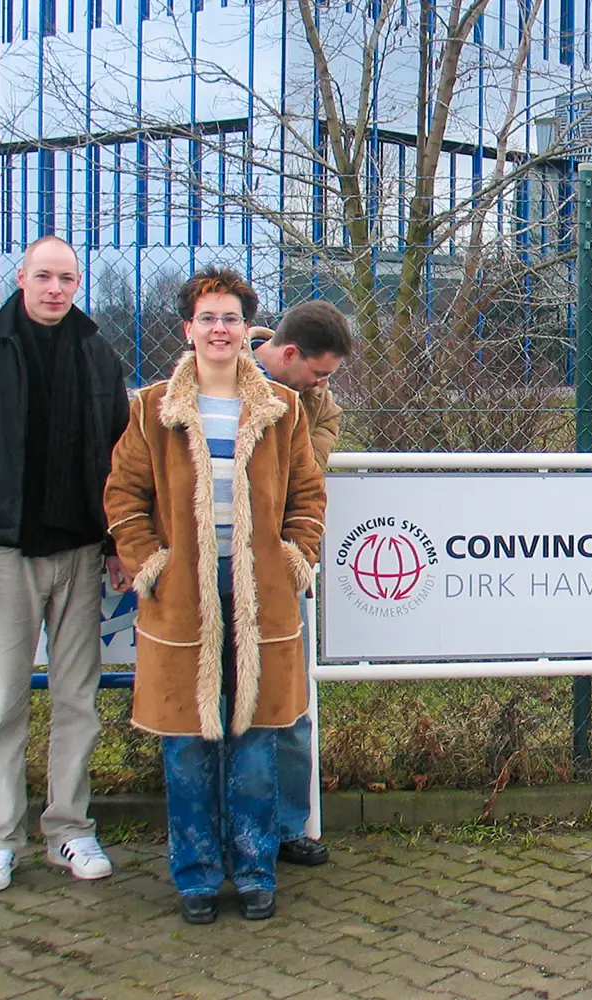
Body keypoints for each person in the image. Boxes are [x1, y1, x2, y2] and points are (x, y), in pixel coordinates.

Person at [105, 267, 326, 923]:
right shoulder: (151, 409)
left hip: (262, 597)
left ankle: (256, 870)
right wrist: (151, 565)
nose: (220, 329)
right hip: (184, 599)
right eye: (208, 318)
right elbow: (123, 496)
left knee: (257, 737)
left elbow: (309, 497)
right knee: (188, 741)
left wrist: (294, 556)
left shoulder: (282, 411)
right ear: (188, 329)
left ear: (246, 326)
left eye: (230, 318)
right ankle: (197, 876)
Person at [0, 235, 131, 893]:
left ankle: (69, 830)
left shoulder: (97, 355)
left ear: (78, 285)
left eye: (66, 278)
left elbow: (119, 461)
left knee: (78, 700)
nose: (55, 289)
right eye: (44, 276)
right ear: (21, 277)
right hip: (7, 554)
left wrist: (117, 544)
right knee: (3, 702)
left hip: (78, 553)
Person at [248, 301, 353, 866]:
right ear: (289, 354)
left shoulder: (313, 398)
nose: (323, 386)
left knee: (291, 702)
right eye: (319, 373)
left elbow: (328, 424)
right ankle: (234, 827)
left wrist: (298, 461)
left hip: (288, 559)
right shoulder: (219, 373)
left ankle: (288, 825)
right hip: (228, 561)